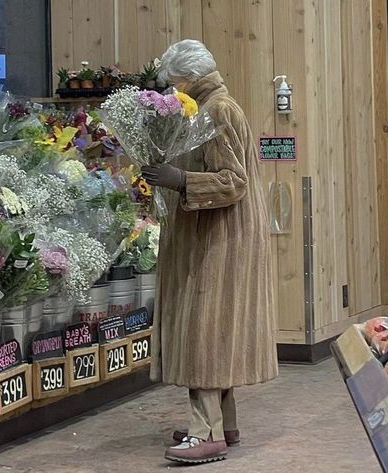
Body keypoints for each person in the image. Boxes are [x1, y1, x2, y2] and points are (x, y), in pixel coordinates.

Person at [141, 39, 278, 465]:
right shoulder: (210, 107)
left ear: (190, 77)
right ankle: (224, 422)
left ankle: (206, 433)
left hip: (219, 244)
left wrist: (180, 179)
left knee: (204, 335)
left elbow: (231, 181)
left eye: (174, 81)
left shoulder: (217, 110)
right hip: (215, 240)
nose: (171, 89)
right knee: (215, 334)